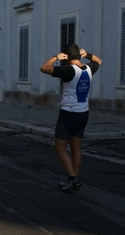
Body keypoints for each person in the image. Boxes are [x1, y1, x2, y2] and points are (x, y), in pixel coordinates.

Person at [40, 43, 102, 192]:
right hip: (83, 113)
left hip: (68, 113)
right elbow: (98, 61)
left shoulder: (68, 70)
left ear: (66, 57)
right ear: (78, 56)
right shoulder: (88, 69)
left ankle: (73, 179)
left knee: (60, 147)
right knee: (76, 149)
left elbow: (44, 68)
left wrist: (55, 57)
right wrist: (87, 54)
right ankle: (73, 178)